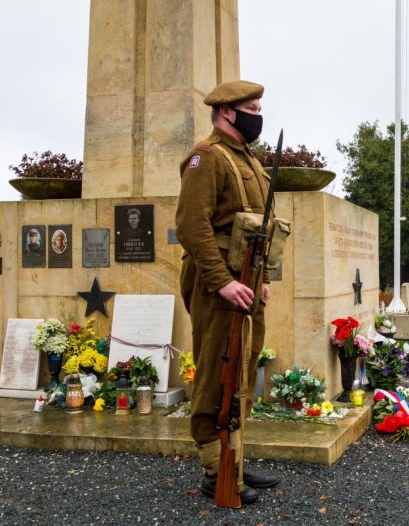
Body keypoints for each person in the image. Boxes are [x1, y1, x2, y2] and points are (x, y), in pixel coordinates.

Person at [175, 79, 279, 505]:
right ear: (227, 113)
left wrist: (263, 279)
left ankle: (233, 461)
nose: (259, 114)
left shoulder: (249, 162)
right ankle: (215, 470)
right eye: (252, 107)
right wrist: (223, 281)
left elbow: (258, 227)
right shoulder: (207, 157)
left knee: (242, 367)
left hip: (247, 280)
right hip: (219, 283)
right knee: (217, 370)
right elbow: (192, 226)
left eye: (259, 106)